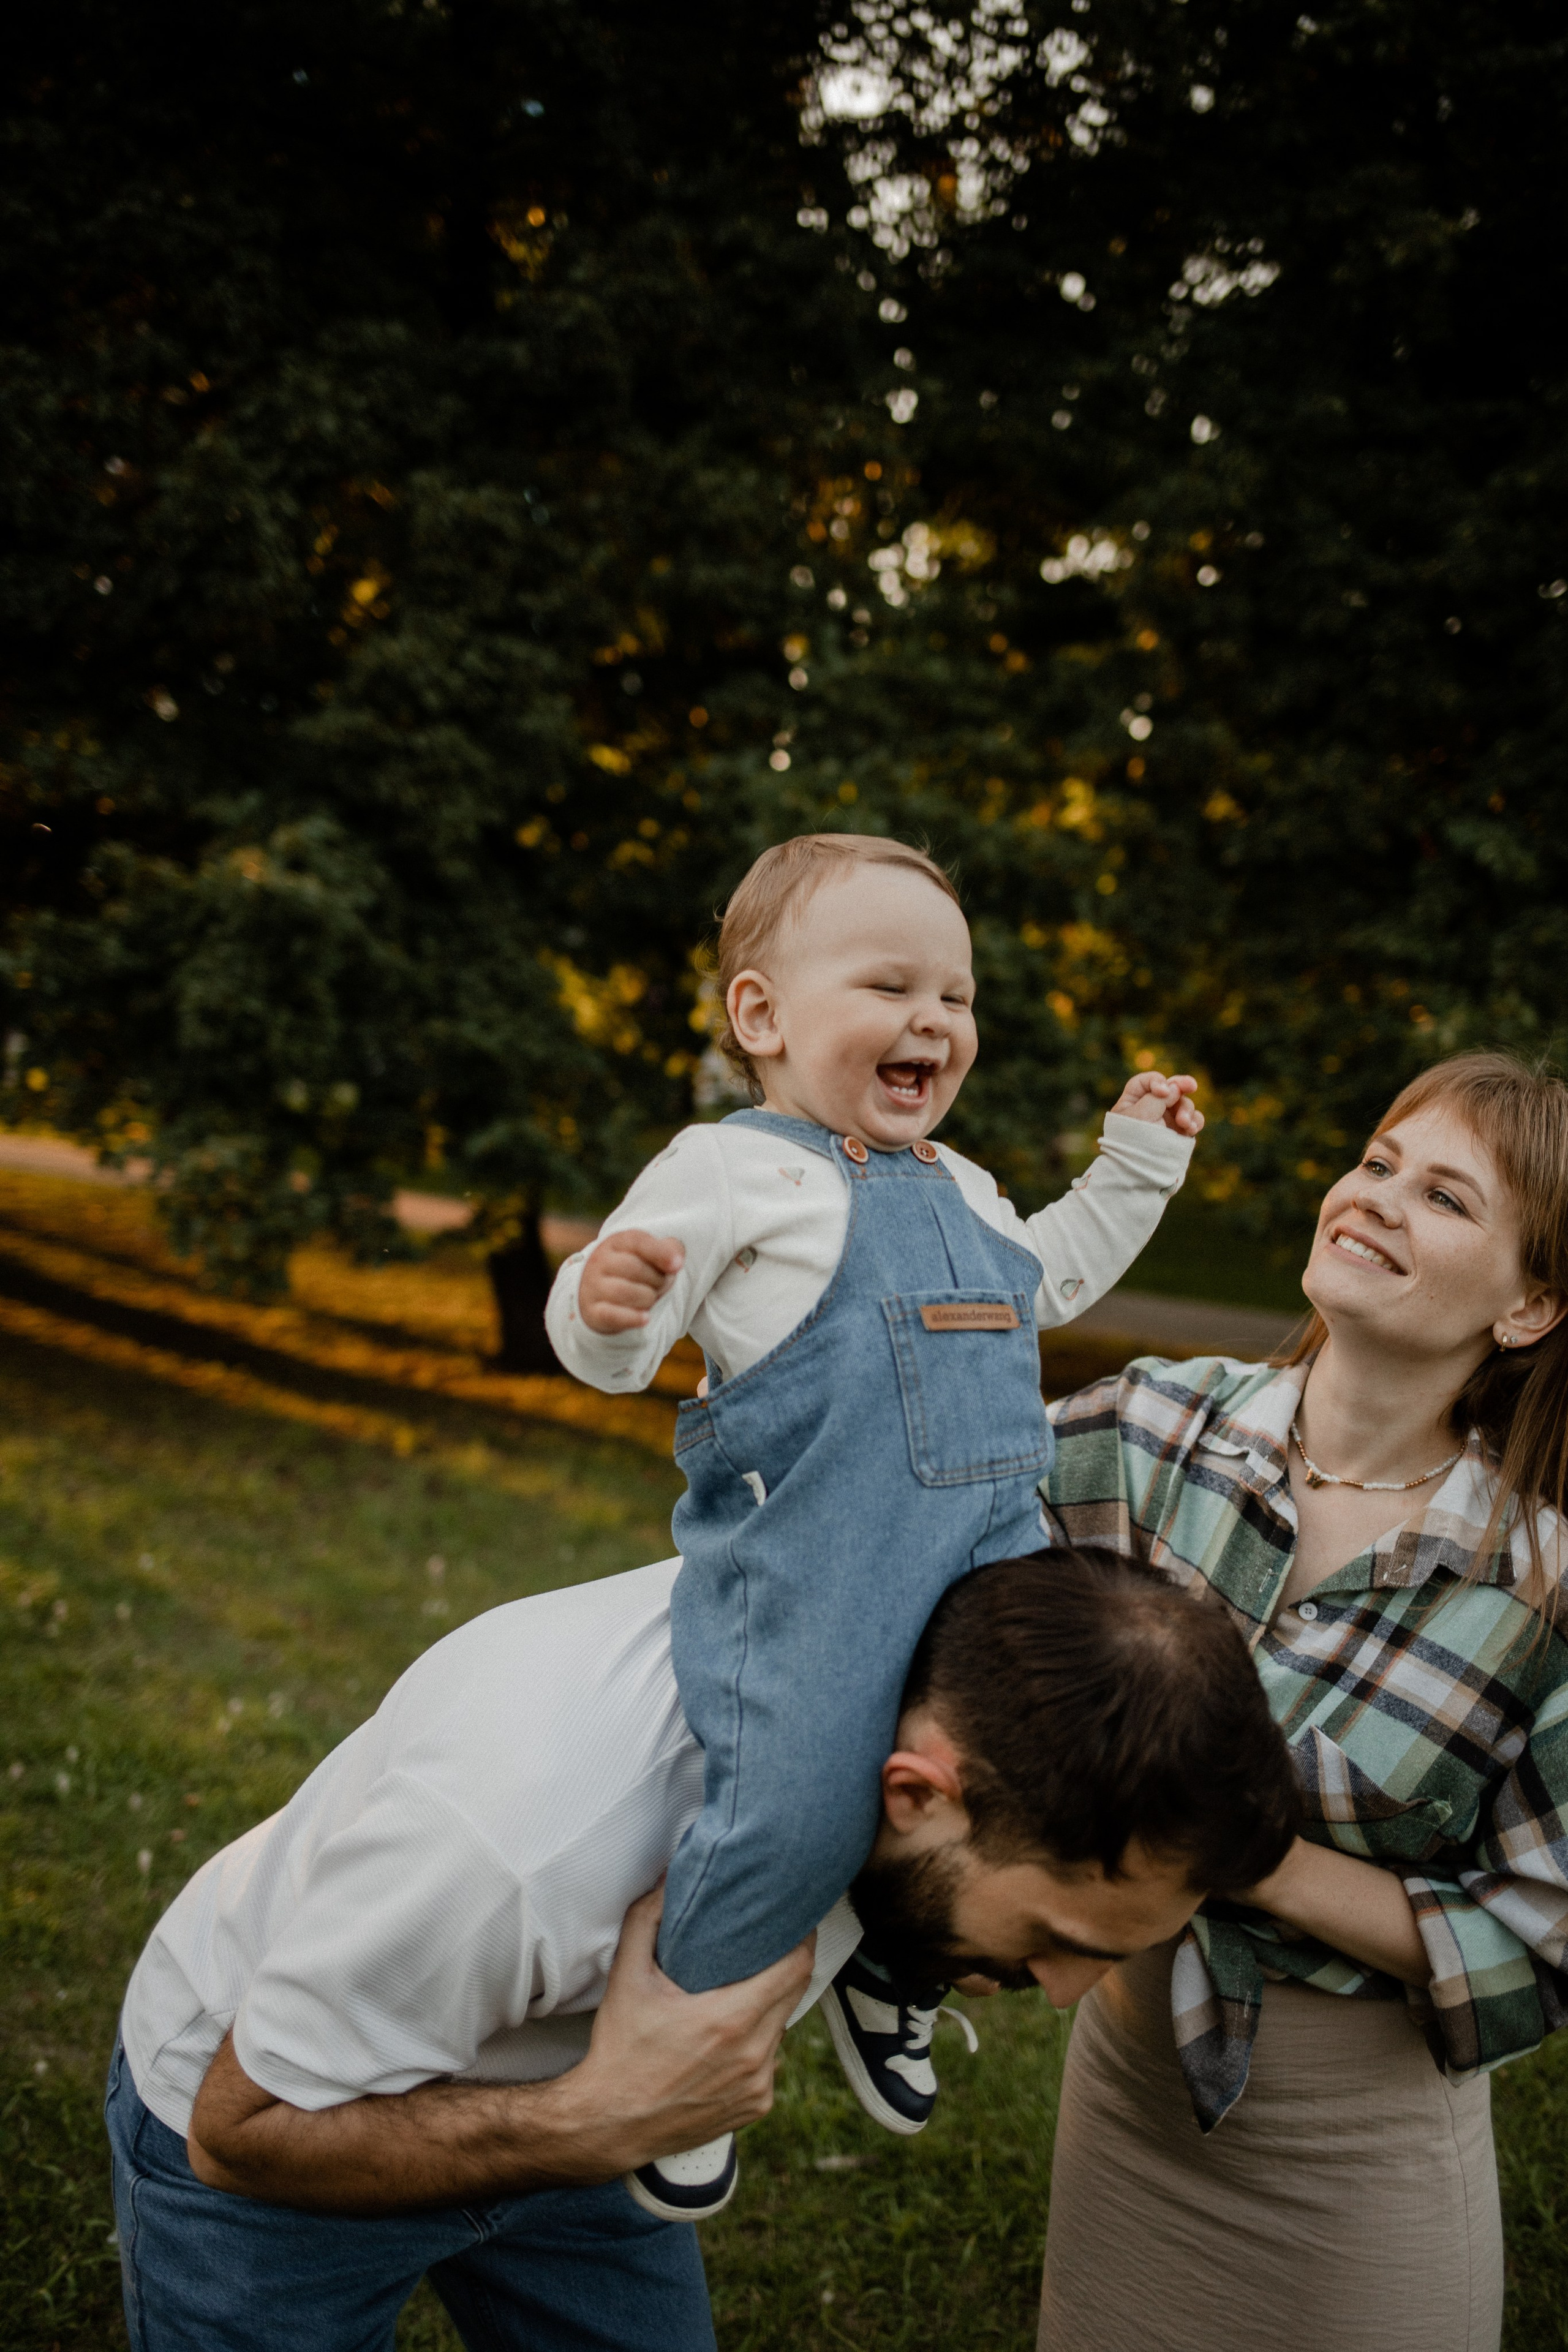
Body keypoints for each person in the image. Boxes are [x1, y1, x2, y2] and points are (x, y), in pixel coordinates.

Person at [108, 1544, 1297, 2352]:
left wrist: (593, 2123)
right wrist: (595, 2123)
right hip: (286, 2130)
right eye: (1057, 1939)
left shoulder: (958, 1660)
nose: (1063, 1995)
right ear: (915, 1792)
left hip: (583, 2123)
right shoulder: (525, 1837)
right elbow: (240, 2135)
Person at [545, 831, 1202, 2215]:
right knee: (790, 1812)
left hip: (991, 1554)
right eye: (890, 986)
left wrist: (1133, 1164)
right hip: (819, 1570)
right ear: (762, 1017)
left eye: (954, 998)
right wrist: (604, 1308)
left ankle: (890, 1972)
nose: (932, 1020)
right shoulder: (728, 1170)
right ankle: (693, 2034)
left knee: (1016, 1782)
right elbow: (622, 1321)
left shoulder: (961, 1186)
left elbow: (1054, 1280)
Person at [1035, 1050, 1568, 2352]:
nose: (1375, 1197)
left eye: (1444, 1200)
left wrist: (1240, 1848)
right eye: (1377, 1163)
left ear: (1527, 1307)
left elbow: (1538, 1936)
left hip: (1355, 2164)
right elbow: (922, 1512)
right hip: (1120, 2092)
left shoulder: (1540, 1586)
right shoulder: (1151, 1427)